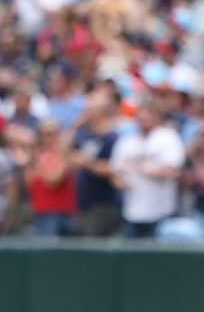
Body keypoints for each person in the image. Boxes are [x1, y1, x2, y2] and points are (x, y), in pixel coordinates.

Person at [111, 102, 186, 238]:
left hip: (161, 210)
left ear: (157, 117)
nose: (144, 120)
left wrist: (139, 168)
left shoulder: (167, 137)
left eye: (149, 116)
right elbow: (115, 172)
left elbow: (172, 170)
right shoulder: (127, 141)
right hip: (132, 209)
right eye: (141, 117)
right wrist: (120, 181)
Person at [70, 92, 121, 237]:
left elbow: (113, 169)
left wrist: (86, 163)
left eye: (89, 110)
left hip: (103, 205)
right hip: (82, 202)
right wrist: (73, 126)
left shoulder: (113, 137)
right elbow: (65, 153)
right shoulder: (85, 134)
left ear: (100, 112)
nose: (85, 114)